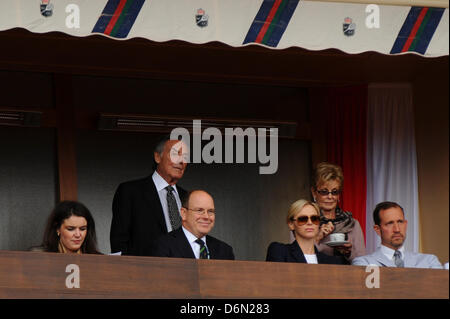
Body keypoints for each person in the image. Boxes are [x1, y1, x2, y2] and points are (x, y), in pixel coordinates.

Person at [110, 135, 189, 256]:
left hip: (185, 269)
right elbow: (118, 241)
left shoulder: (188, 197)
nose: (181, 161)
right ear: (158, 157)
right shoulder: (130, 191)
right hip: (143, 270)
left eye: (184, 156)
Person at [352, 201, 443, 269]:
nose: (397, 229)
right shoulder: (364, 263)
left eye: (400, 222)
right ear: (377, 229)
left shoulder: (429, 261)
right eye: (390, 223)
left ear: (406, 224)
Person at [151, 190, 235, 260]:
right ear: (184, 213)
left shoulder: (224, 251)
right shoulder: (163, 246)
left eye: (210, 211)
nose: (206, 216)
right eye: (199, 210)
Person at [311, 162, 365, 262]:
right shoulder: (304, 221)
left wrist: (348, 252)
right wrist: (318, 237)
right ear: (314, 192)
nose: (330, 197)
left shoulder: (352, 224)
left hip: (346, 275)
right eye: (324, 192)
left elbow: (362, 261)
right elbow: (296, 257)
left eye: (334, 192)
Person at [266, 199, 346, 264]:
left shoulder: (332, 261)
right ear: (291, 224)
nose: (310, 222)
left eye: (314, 219)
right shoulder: (279, 251)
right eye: (303, 219)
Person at [32, 201, 101, 254]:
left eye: (82, 229)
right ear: (57, 229)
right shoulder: (38, 255)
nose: (77, 235)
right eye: (71, 229)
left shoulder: (99, 260)